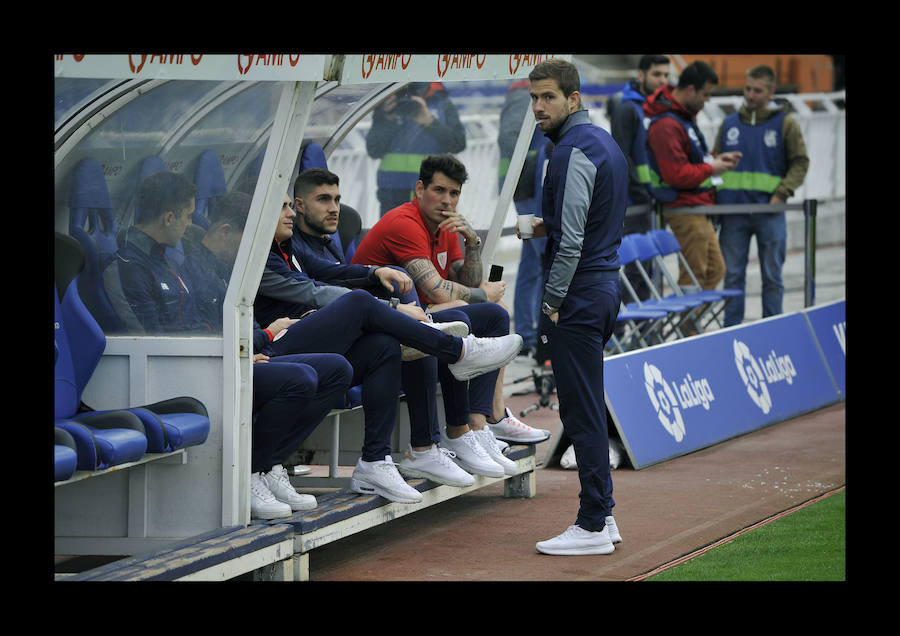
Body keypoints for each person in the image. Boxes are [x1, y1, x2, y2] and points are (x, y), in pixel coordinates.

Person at [255, 193, 524, 502]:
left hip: (298, 336)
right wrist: (392, 307)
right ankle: (457, 353)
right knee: (365, 306)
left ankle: (375, 460)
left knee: (384, 344)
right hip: (274, 345)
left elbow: (330, 272)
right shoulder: (259, 257)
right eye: (283, 205)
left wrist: (373, 272)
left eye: (455, 194)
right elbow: (314, 292)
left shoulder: (286, 246)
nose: (289, 213)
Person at [351, 154, 552, 447]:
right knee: (462, 314)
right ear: (420, 189)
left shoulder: (444, 225)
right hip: (381, 321)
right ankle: (460, 431)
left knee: (496, 313)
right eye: (439, 190)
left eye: (454, 193)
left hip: (418, 315)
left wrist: (473, 243)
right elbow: (440, 292)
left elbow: (465, 279)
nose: (447, 200)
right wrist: (484, 294)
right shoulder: (404, 222)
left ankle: (483, 422)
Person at [523, 58, 627, 556]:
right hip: (604, 285)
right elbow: (594, 221)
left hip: (580, 295)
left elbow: (570, 244)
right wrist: (540, 225)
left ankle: (591, 522)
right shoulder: (604, 142)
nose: (538, 108)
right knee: (587, 403)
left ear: (573, 99)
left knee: (581, 409)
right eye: (533, 98)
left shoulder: (570, 152)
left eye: (547, 98)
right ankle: (602, 516)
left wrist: (551, 302)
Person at [713, 64, 810, 326]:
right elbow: (714, 163)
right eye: (747, 89)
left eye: (757, 90)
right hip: (733, 215)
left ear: (770, 92)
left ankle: (772, 330)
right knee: (732, 277)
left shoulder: (785, 123)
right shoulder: (729, 123)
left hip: (770, 212)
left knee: (772, 277)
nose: (751, 95)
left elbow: (800, 162)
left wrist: (781, 194)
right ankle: (730, 331)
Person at [643, 60, 742, 292]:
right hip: (684, 209)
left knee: (715, 270)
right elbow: (676, 174)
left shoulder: (682, 118)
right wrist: (712, 168)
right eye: (705, 94)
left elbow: (691, 162)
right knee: (694, 277)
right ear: (690, 90)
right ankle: (689, 328)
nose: (707, 100)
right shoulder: (667, 124)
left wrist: (715, 161)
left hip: (697, 206)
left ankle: (693, 328)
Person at [112, 171, 211, 334]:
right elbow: (153, 340)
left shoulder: (164, 259)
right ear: (169, 218)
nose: (190, 224)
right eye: (188, 216)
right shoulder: (129, 267)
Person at [607, 55, 671, 304]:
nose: (662, 80)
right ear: (641, 75)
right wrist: (644, 193)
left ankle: (644, 328)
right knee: (637, 270)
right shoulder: (627, 108)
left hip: (655, 200)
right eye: (657, 74)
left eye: (666, 75)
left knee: (652, 268)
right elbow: (622, 156)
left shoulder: (661, 108)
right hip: (636, 203)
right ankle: (623, 329)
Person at [498, 79, 550, 359]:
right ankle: (533, 334)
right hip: (526, 189)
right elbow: (509, 138)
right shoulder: (522, 97)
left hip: (529, 188)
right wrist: (534, 162)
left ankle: (529, 333)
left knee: (533, 259)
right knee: (540, 258)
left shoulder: (527, 95)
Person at [365, 82, 466, 216]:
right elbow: (374, 149)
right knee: (392, 234)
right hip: (393, 193)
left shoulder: (442, 103)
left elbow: (458, 144)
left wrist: (429, 122)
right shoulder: (390, 102)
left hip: (431, 191)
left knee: (428, 235)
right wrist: (388, 119)